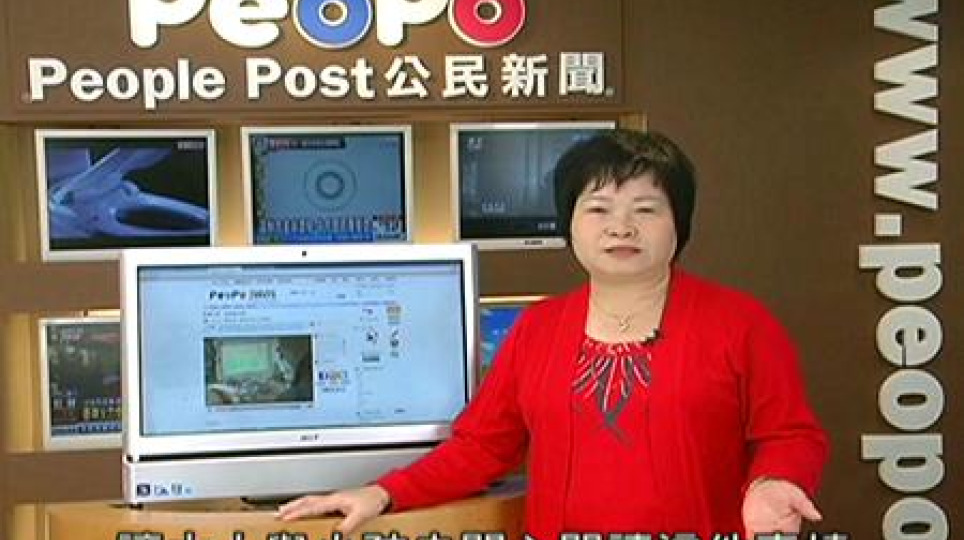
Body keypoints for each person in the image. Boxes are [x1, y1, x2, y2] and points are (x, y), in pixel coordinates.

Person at [277, 129, 829, 540]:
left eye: (645, 209)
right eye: (598, 208)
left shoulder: (741, 323)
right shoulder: (539, 329)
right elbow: (482, 447)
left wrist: (773, 483)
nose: (620, 227)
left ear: (678, 224)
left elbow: (790, 435)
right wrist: (384, 491)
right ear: (570, 224)